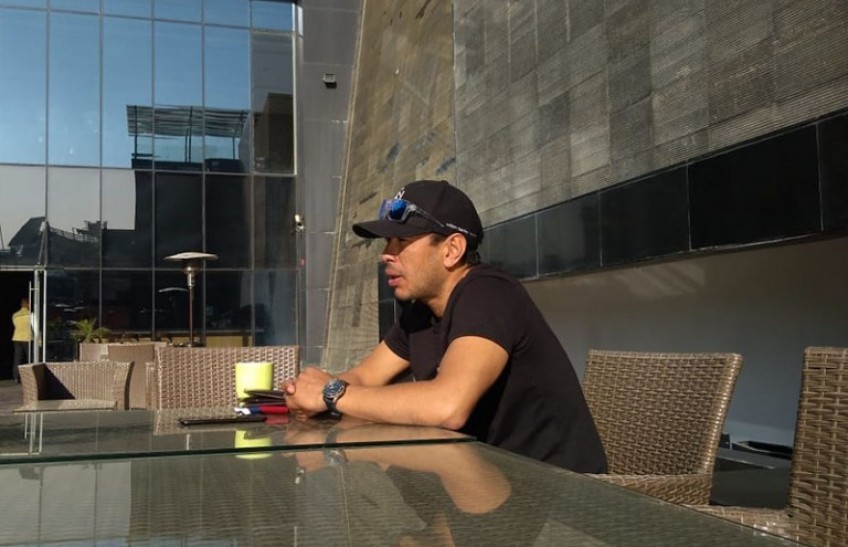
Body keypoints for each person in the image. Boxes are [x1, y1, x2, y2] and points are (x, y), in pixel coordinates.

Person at [283, 179, 607, 473]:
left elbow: (448, 405)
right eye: (387, 242)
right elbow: (365, 377)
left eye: (401, 241)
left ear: (452, 250)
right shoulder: (420, 312)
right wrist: (310, 394)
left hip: (560, 496)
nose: (386, 255)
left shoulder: (488, 293)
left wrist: (331, 394)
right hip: (483, 481)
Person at [11, 297, 32, 384]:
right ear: (28, 304)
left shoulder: (15, 315)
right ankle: (30, 376)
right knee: (30, 358)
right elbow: (34, 327)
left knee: (17, 358)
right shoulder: (30, 315)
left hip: (17, 338)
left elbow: (15, 325)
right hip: (27, 338)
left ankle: (16, 376)